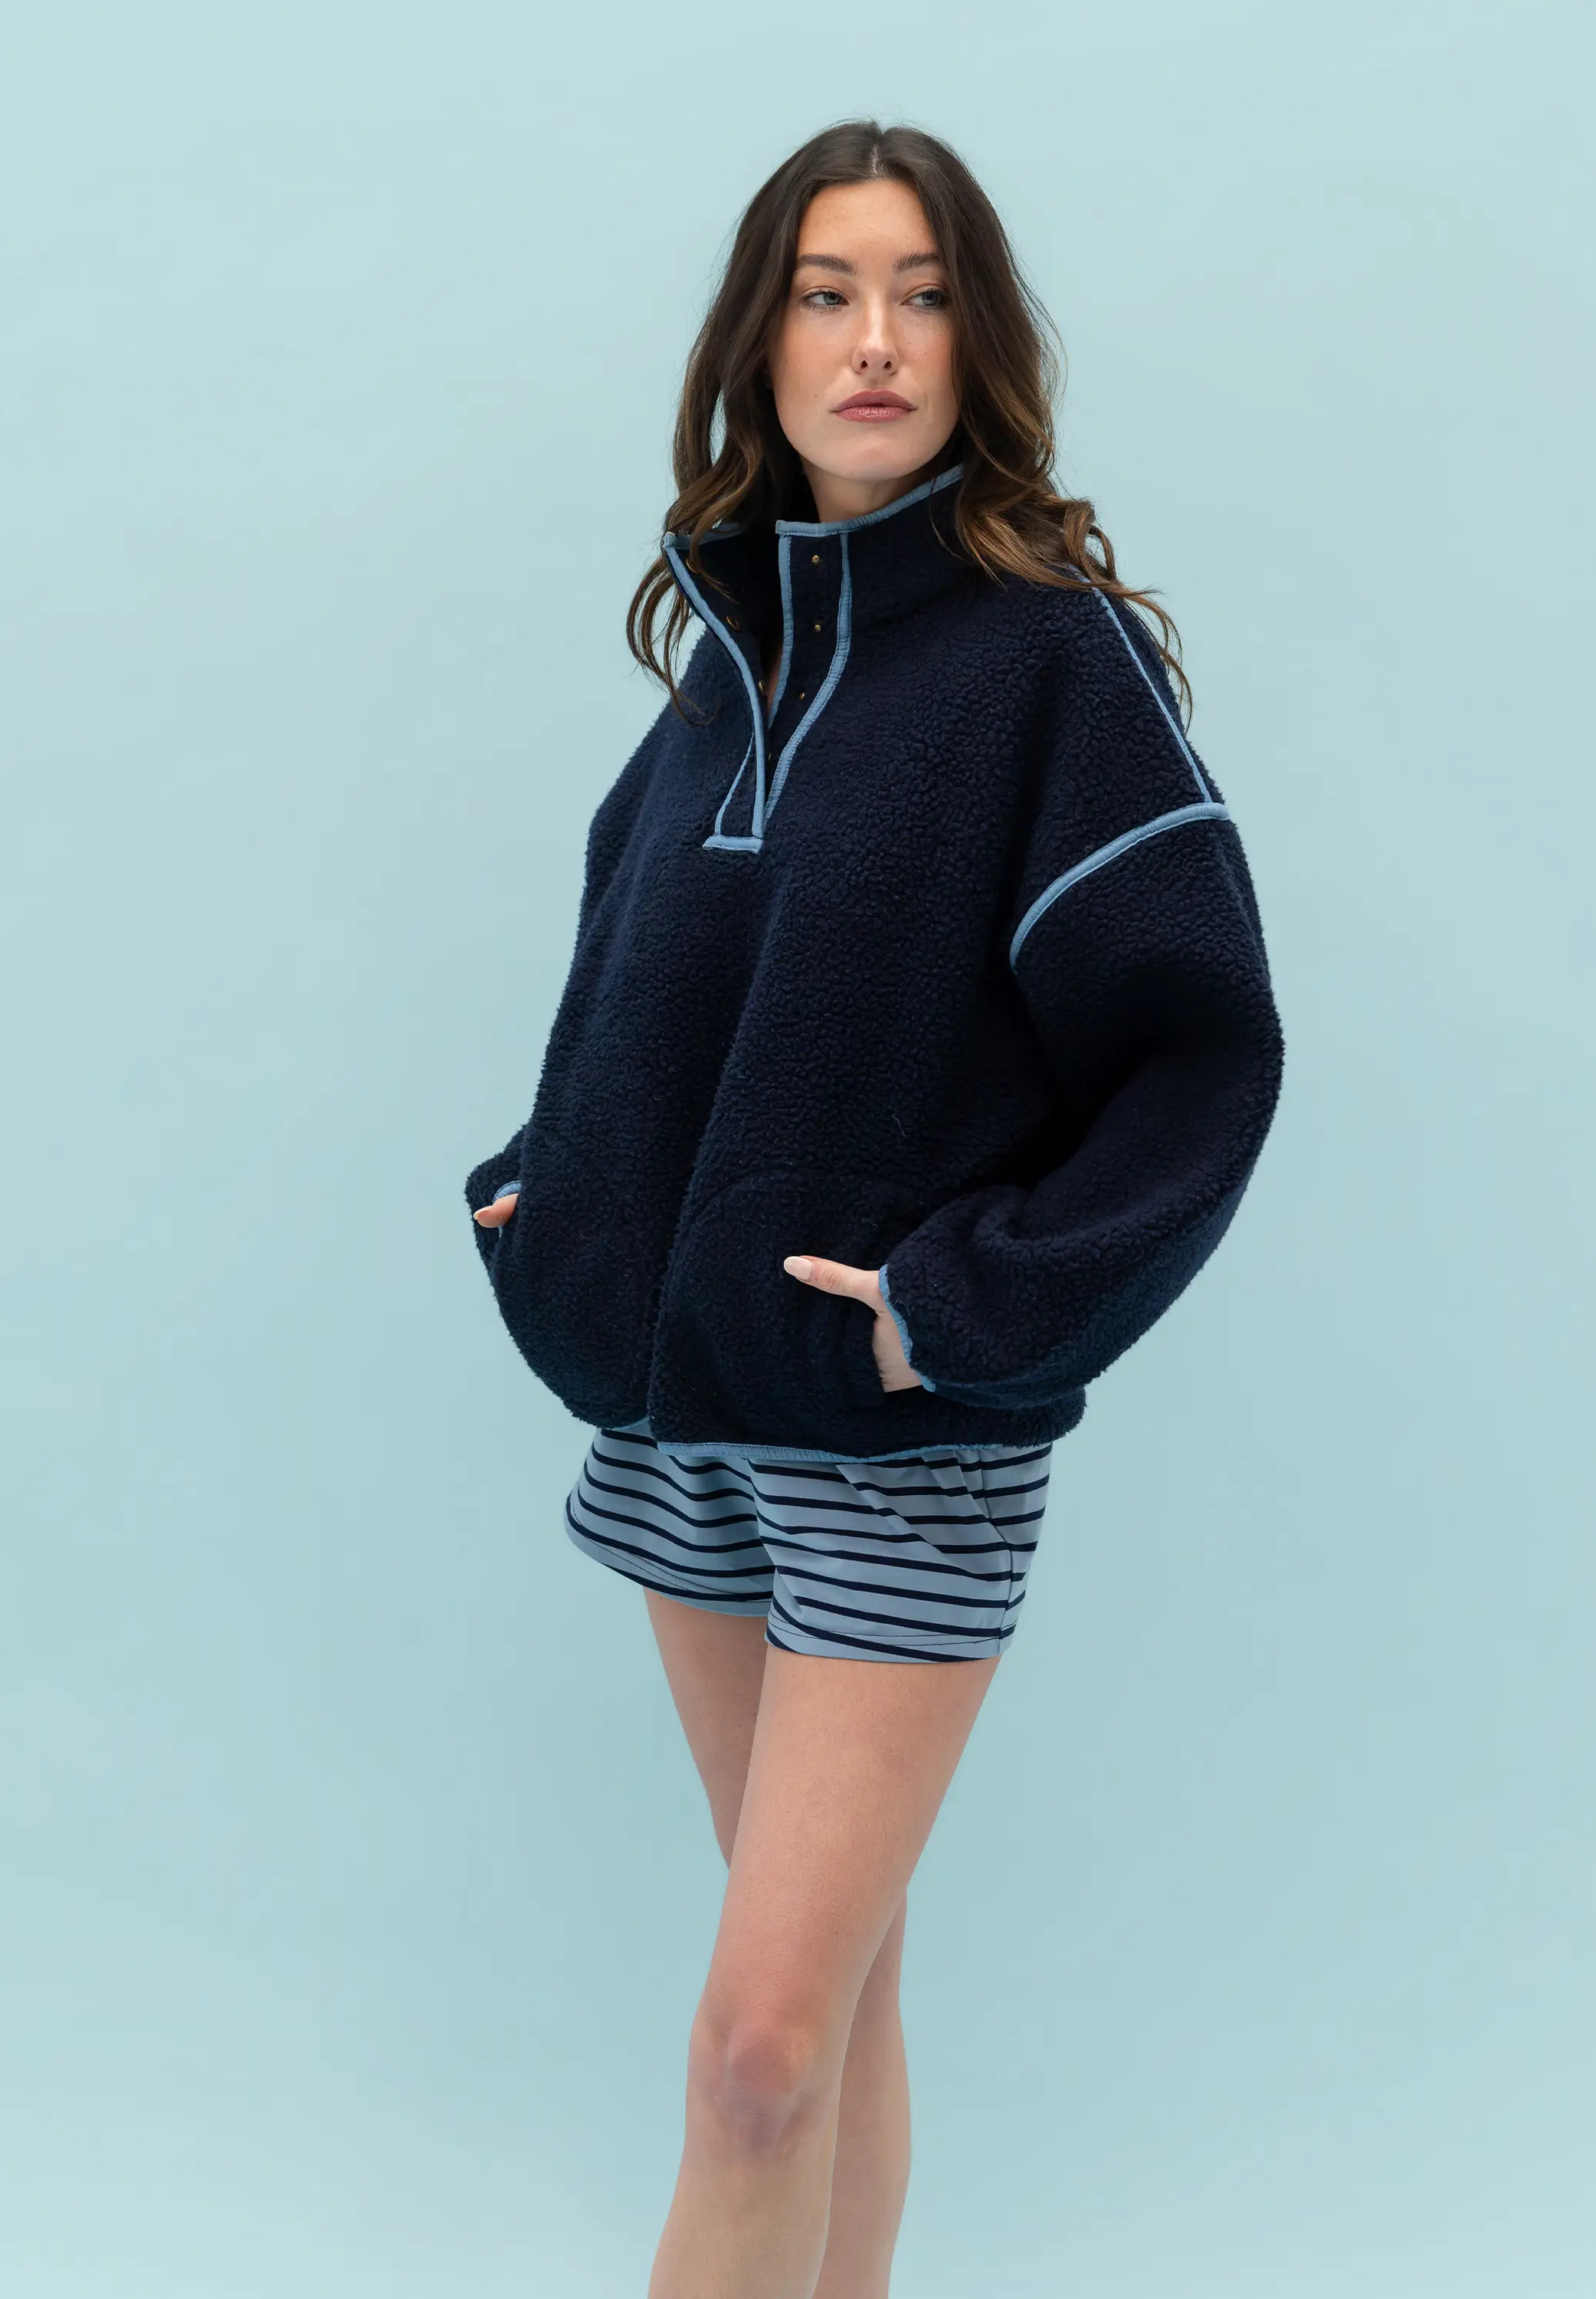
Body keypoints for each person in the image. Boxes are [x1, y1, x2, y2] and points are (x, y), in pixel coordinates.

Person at [464, 119, 1283, 2299]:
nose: (875, 341)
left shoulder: (1052, 666)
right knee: (828, 2017)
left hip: (901, 1441)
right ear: (762, 338)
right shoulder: (727, 659)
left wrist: (967, 1307)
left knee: (752, 2056)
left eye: (922, 295)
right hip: (681, 1432)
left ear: (980, 341)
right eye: (827, 293)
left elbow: (1202, 1054)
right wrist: (542, 1208)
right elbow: (630, 985)